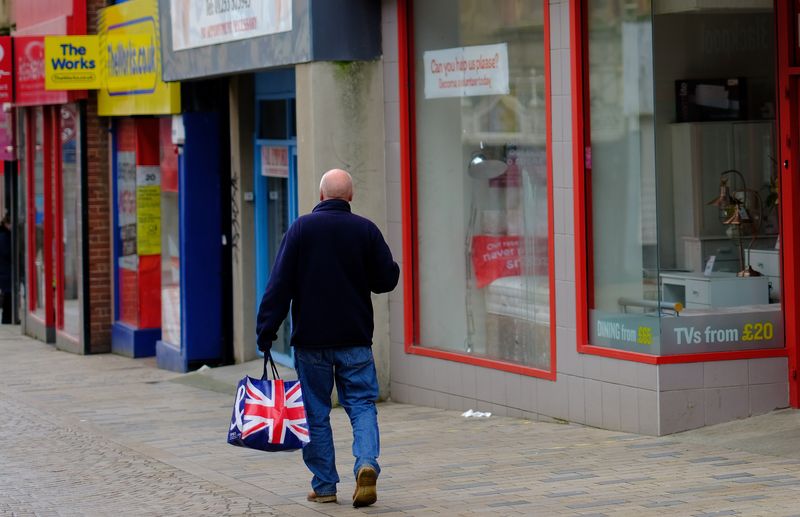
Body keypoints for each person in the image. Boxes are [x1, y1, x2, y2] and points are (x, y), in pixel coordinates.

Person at [256, 168, 399, 508]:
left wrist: (266, 331)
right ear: (350, 197)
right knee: (361, 405)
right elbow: (385, 280)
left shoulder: (301, 229)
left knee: (315, 412)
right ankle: (366, 463)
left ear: (321, 196)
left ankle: (324, 486)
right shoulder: (365, 230)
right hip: (355, 338)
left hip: (311, 342)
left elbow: (279, 286)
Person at [0, 214, 11, 324]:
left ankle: (7, 318)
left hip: (5, 270)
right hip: (5, 271)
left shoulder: (5, 235)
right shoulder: (4, 236)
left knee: (7, 293)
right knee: (8, 294)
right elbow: (6, 252)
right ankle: (6, 318)